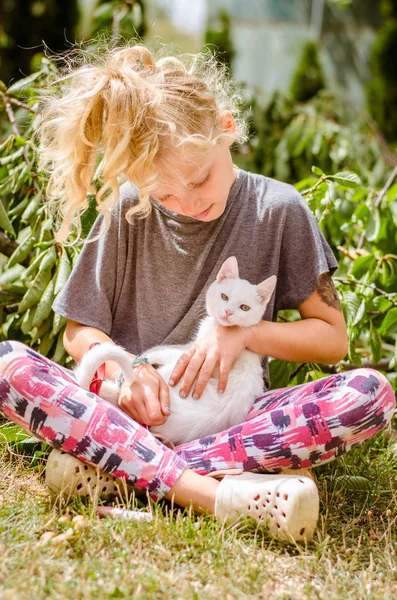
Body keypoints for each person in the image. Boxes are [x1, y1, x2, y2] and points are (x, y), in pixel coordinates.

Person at [0, 44, 394, 542]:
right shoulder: (128, 209)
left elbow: (332, 338)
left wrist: (244, 337)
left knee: (368, 394)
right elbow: (80, 329)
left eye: (199, 178)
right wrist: (131, 373)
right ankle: (219, 494)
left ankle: (118, 468)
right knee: (7, 364)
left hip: (232, 419)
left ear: (227, 128)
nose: (189, 203)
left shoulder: (278, 209)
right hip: (135, 413)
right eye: (165, 195)